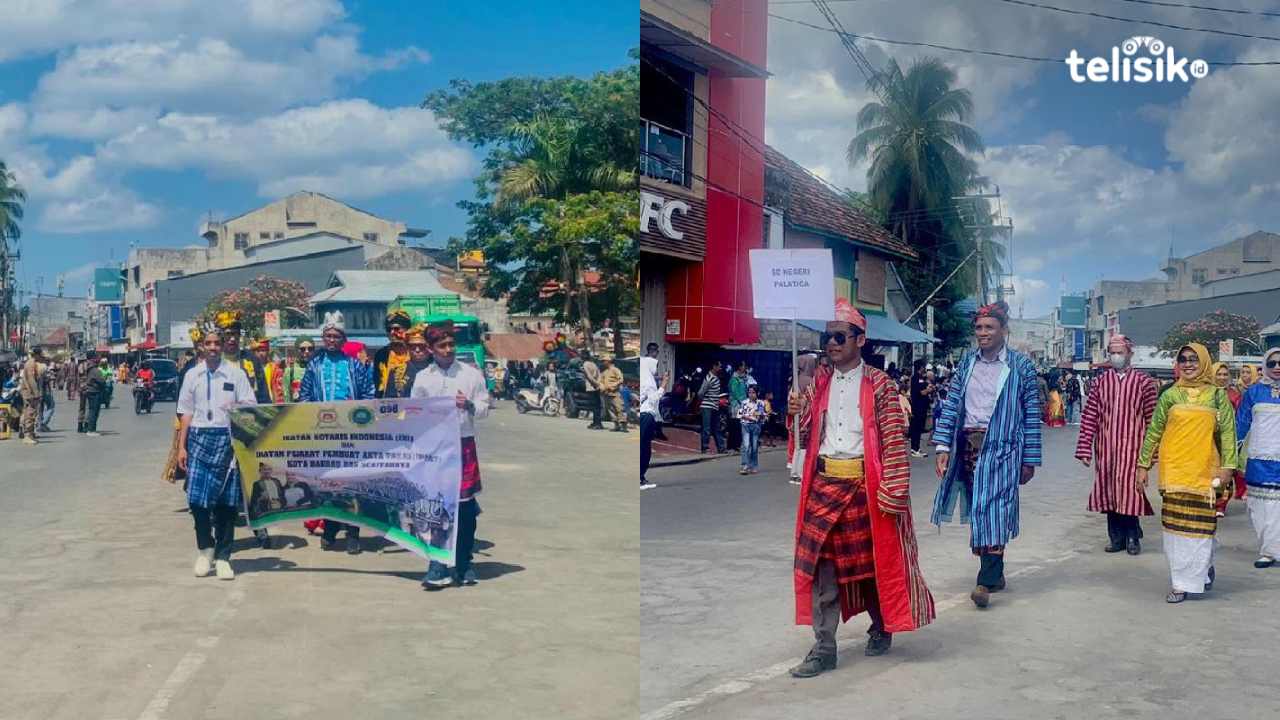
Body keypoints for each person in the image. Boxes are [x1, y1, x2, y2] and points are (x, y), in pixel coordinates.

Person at [786, 298, 934, 678]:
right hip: (823, 485)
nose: (831, 343)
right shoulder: (817, 382)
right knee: (822, 570)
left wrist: (895, 489)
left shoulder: (881, 385)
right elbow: (803, 437)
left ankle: (882, 623)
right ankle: (824, 648)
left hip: (864, 488)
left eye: (839, 336)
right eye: (827, 336)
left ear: (860, 340)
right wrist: (795, 412)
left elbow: (893, 440)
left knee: (870, 569)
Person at [931, 301, 1042, 609]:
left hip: (1003, 449)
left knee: (994, 508)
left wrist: (1030, 458)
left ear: (1004, 331)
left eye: (989, 327)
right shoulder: (967, 363)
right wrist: (942, 447)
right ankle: (996, 571)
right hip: (968, 445)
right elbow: (953, 403)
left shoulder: (1021, 366)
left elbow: (1031, 413)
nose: (983, 333)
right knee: (980, 508)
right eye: (979, 328)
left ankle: (984, 581)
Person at [1137, 343, 1237, 603]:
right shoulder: (1170, 395)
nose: (1188, 364)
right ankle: (1181, 583)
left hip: (1205, 474)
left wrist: (1228, 467)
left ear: (1203, 361)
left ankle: (1201, 569)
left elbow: (1228, 433)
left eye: (1194, 359)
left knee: (1202, 529)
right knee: (1175, 531)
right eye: (1183, 359)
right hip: (1174, 473)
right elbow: (1154, 431)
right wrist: (1143, 465)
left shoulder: (1217, 396)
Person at [412, 321, 491, 589]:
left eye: (451, 345)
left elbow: (484, 407)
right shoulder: (424, 378)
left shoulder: (470, 375)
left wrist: (467, 404)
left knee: (466, 508)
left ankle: (464, 561)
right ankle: (437, 564)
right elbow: (414, 412)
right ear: (430, 349)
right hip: (435, 450)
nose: (448, 350)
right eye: (442, 346)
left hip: (462, 445)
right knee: (435, 507)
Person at [175, 329, 257, 581]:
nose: (212, 347)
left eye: (217, 343)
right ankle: (205, 550)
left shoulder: (235, 373)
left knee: (226, 504)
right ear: (201, 346)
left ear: (222, 346)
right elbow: (185, 412)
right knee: (197, 501)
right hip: (199, 438)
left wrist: (237, 412)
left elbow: (249, 406)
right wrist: (181, 446)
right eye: (208, 343)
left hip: (227, 439)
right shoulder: (192, 375)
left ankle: (223, 557)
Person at [298, 311, 376, 553]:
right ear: (323, 338)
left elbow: (368, 395)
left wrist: (359, 420)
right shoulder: (314, 365)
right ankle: (330, 529)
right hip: (323, 435)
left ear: (343, 339)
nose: (331, 340)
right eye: (328, 336)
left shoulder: (354, 365)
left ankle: (353, 533)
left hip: (351, 436)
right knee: (328, 484)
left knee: (352, 484)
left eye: (336, 336)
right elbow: (305, 396)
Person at [1074, 335, 1157, 555]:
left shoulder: (1144, 382)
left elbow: (1152, 419)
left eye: (1120, 352)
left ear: (1130, 354)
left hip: (1133, 448)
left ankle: (1132, 536)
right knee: (1109, 491)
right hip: (1106, 447)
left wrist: (1150, 455)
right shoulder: (1100, 382)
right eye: (1113, 352)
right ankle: (1116, 537)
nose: (1116, 356)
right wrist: (1084, 448)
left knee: (1130, 492)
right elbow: (1090, 415)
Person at [1237, 347, 1280, 568]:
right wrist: (1231, 456)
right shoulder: (1253, 393)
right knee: (1260, 507)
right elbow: (1240, 425)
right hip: (1259, 459)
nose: (1277, 367)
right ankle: (1268, 551)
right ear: (1264, 366)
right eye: (1272, 363)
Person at [1213, 361, 1245, 516]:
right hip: (1209, 439)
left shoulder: (1234, 395)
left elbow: (1241, 417)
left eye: (1225, 374)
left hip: (1229, 438)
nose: (1222, 377)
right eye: (1218, 374)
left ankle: (1221, 504)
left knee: (1226, 471)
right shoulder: (1206, 394)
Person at [374, 309, 414, 399]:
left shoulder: (415, 350)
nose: (392, 332)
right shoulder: (381, 354)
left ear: (407, 330)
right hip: (387, 406)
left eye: (396, 328)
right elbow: (377, 384)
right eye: (389, 329)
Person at [640, 350, 662, 490]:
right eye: (656, 366)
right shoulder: (648, 382)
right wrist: (663, 386)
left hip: (647, 415)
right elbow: (653, 399)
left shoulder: (646, 378)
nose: (656, 369)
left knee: (645, 447)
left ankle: (641, 477)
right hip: (647, 415)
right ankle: (640, 477)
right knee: (644, 449)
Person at [737, 385, 765, 475]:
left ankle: (753, 466)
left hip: (756, 426)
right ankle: (745, 466)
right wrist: (752, 416)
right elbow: (740, 414)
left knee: (754, 446)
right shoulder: (744, 402)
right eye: (749, 392)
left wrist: (753, 416)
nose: (751, 394)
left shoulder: (760, 403)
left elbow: (760, 414)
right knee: (746, 445)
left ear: (757, 393)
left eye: (753, 392)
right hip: (745, 425)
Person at [18, 349, 45, 444]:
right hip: (29, 392)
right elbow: (31, 380)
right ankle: (28, 435)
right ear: (36, 355)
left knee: (30, 412)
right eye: (41, 355)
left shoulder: (31, 363)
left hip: (28, 391)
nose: (41, 357)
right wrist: (36, 393)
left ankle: (31, 434)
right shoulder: (31, 364)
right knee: (30, 413)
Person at [698, 360, 725, 454]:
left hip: (714, 406)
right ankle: (705, 448)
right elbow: (701, 392)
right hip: (707, 406)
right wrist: (705, 400)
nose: (720, 368)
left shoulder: (716, 378)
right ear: (714, 366)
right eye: (719, 366)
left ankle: (721, 448)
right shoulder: (709, 378)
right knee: (707, 428)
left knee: (716, 427)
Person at [907, 360, 933, 457]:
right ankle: (914, 449)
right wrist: (929, 390)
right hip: (917, 407)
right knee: (916, 428)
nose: (924, 368)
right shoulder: (915, 378)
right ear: (920, 367)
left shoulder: (922, 378)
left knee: (919, 428)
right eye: (923, 366)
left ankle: (917, 447)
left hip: (923, 407)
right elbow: (921, 392)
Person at [78, 352, 105, 436]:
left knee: (83, 408)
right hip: (91, 389)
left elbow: (77, 377)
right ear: (93, 358)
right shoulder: (93, 367)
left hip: (83, 388)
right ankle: (89, 428)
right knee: (92, 409)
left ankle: (80, 426)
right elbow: (101, 380)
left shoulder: (82, 365)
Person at [600, 356, 627, 432]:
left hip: (615, 393)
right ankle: (616, 425)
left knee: (619, 408)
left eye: (604, 361)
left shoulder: (615, 370)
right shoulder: (604, 372)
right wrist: (602, 387)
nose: (603, 362)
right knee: (611, 410)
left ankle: (623, 426)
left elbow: (621, 380)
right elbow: (601, 382)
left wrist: (613, 386)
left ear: (609, 361)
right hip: (607, 393)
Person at [281, 338, 312, 403]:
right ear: (296, 350)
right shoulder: (289, 371)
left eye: (310, 349)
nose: (307, 351)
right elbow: (286, 397)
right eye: (302, 349)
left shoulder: (317, 370)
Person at [728, 362, 750, 452]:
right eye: (744, 365)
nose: (745, 367)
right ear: (739, 367)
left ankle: (737, 444)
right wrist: (742, 401)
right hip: (735, 405)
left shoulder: (744, 379)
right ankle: (731, 445)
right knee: (735, 425)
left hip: (742, 405)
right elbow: (734, 392)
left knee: (741, 425)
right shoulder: (734, 379)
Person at [581, 351, 604, 430]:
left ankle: (597, 423)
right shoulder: (594, 364)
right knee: (597, 406)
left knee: (594, 407)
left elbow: (589, 376)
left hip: (591, 387)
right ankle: (596, 422)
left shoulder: (585, 364)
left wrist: (595, 384)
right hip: (597, 387)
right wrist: (598, 383)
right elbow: (599, 374)